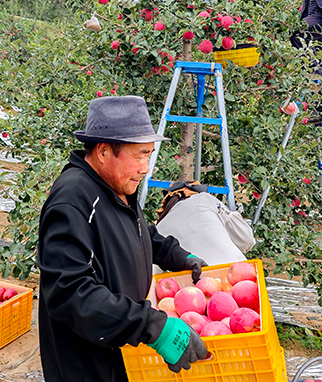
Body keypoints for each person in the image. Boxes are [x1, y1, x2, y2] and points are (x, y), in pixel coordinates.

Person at [38, 96, 210, 382]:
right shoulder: (73, 203)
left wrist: (177, 256)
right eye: (140, 155)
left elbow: (138, 231)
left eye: (149, 155)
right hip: (89, 365)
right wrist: (153, 325)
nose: (146, 167)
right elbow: (70, 293)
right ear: (104, 151)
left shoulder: (114, 186)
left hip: (120, 348)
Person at [155, 181, 255, 266]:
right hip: (236, 271)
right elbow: (246, 239)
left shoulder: (158, 231)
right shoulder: (204, 199)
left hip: (193, 280)